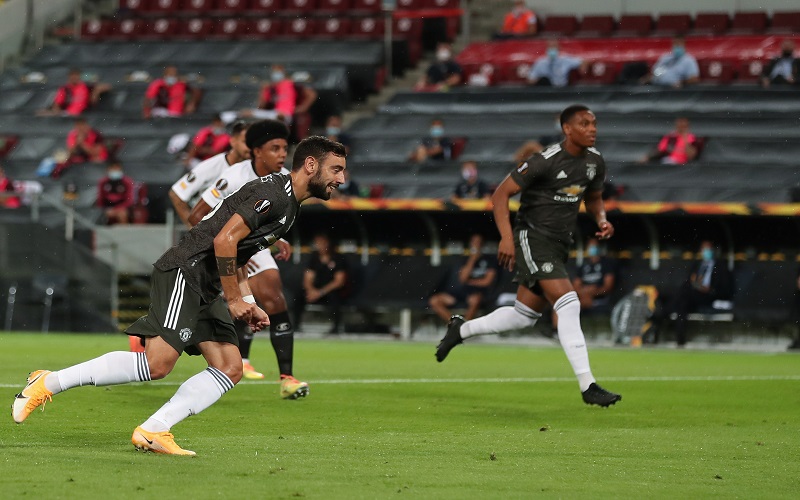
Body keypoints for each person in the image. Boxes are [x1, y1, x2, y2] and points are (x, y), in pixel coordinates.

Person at [11, 135, 347, 455]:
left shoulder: (290, 204)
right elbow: (224, 241)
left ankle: (154, 429)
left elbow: (239, 253)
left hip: (206, 284)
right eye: (336, 169)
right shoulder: (274, 194)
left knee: (230, 367)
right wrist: (234, 300)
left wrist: (248, 300)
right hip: (186, 271)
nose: (341, 179)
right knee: (157, 364)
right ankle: (49, 382)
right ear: (310, 165)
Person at [435, 104, 622, 408]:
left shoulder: (594, 161)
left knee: (524, 316)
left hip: (559, 244)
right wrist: (507, 238)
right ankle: (588, 385)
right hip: (532, 237)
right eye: (584, 124)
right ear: (567, 129)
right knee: (569, 302)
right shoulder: (544, 161)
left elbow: (594, 197)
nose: (592, 129)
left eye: (594, 124)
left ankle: (462, 329)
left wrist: (601, 219)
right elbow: (500, 195)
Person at [188, 120, 305, 393]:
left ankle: (287, 377)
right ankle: (146, 340)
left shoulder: (285, 179)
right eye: (274, 148)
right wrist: (228, 249)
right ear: (257, 151)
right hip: (222, 246)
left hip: (252, 247)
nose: (282, 155)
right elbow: (197, 215)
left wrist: (277, 238)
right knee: (194, 314)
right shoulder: (233, 177)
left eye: (284, 149)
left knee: (274, 296)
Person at [170, 120, 251, 228]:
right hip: (212, 229)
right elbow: (176, 194)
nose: (250, 147)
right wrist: (194, 230)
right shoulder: (211, 166)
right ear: (233, 141)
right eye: (246, 142)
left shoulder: (254, 168)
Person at [667, 240, 733, 347]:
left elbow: (725, 288)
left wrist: (709, 290)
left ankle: (664, 311)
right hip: (694, 296)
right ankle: (680, 340)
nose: (706, 251)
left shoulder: (721, 267)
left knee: (682, 295)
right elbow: (691, 280)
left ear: (713, 250)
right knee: (683, 303)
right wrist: (696, 285)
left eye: (708, 249)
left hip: (709, 296)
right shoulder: (697, 265)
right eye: (704, 249)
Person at [429, 234, 498, 322]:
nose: (476, 245)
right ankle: (454, 323)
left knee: (475, 299)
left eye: (478, 242)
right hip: (461, 292)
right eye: (474, 242)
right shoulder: (465, 260)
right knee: (434, 300)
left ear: (482, 244)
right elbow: (462, 279)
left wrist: (470, 282)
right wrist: (472, 259)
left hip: (477, 293)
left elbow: (487, 281)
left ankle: (465, 325)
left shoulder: (489, 261)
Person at [293, 233, 349, 334]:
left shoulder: (338, 258)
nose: (320, 246)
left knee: (335, 298)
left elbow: (339, 281)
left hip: (330, 291)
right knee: (299, 295)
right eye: (317, 243)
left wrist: (321, 292)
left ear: (328, 243)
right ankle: (295, 325)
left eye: (322, 243)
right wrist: (311, 291)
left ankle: (336, 328)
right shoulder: (314, 258)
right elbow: (308, 277)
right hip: (315, 290)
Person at [38, 68, 111, 116]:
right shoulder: (65, 88)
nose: (74, 78)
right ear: (69, 77)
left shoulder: (86, 86)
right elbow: (57, 104)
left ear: (79, 76)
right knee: (41, 113)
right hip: (67, 113)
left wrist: (95, 92)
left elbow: (107, 86)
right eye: (72, 76)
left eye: (76, 76)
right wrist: (57, 111)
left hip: (83, 114)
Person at [572, 238, 616, 310]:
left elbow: (608, 287)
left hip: (600, 300)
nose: (592, 249)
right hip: (583, 299)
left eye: (594, 246)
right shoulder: (582, 266)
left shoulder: (606, 264)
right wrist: (584, 293)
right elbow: (575, 286)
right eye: (590, 246)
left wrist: (593, 292)